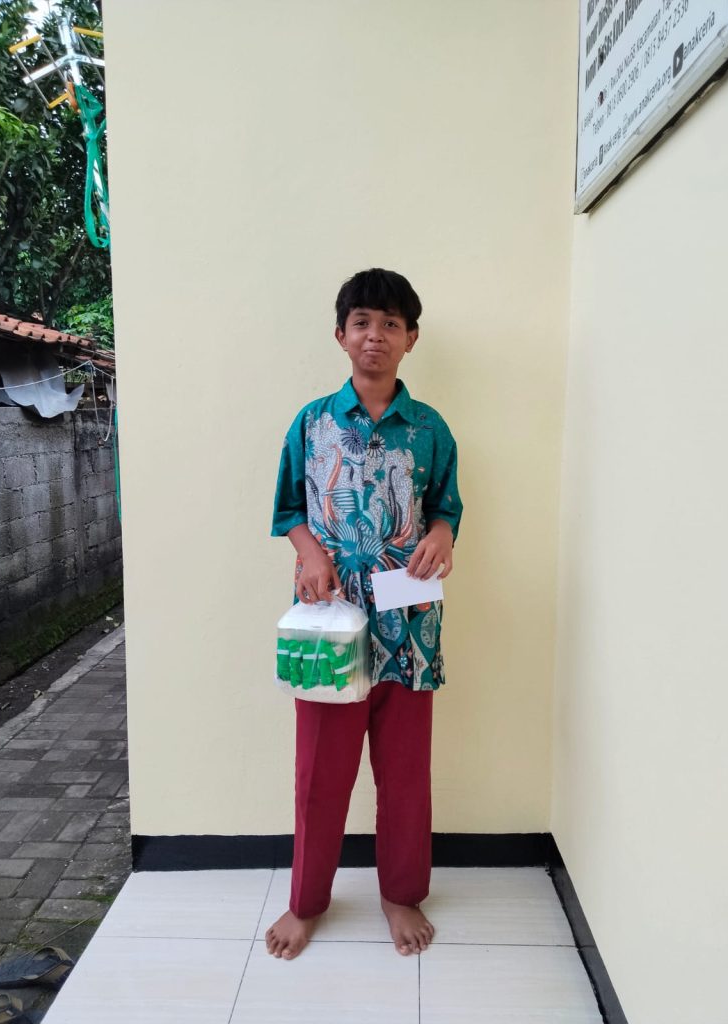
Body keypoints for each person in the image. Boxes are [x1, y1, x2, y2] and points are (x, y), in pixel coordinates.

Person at [267, 268, 463, 960]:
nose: (374, 335)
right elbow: (289, 509)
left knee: (405, 774)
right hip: (329, 623)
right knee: (319, 775)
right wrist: (310, 552)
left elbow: (446, 507)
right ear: (340, 335)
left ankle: (401, 893)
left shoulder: (430, 429)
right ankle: (306, 902)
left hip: (409, 627)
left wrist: (442, 534)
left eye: (389, 324)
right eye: (362, 323)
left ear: (411, 338)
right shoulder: (312, 423)